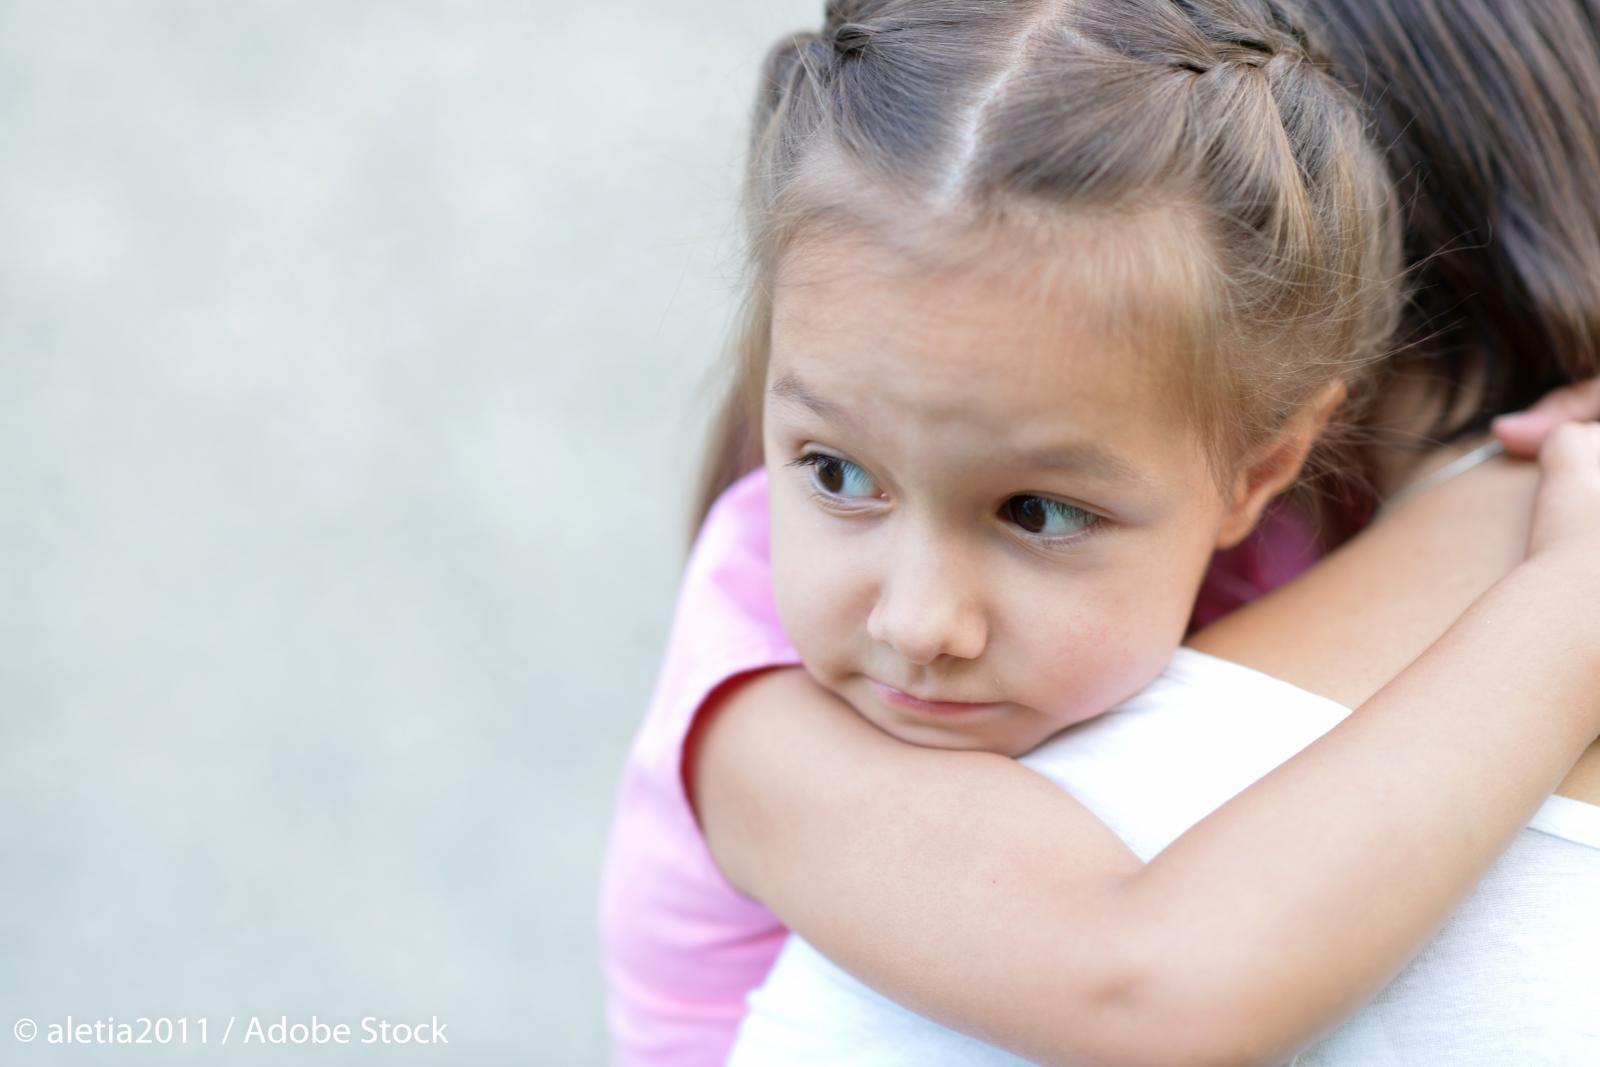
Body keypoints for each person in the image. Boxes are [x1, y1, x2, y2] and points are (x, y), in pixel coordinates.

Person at [599, 1, 1600, 1064]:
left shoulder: (1261, 504)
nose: (919, 618)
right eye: (838, 473)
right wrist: (1570, 599)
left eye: (1036, 511)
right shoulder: (757, 716)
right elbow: (1153, 990)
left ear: (1264, 468)